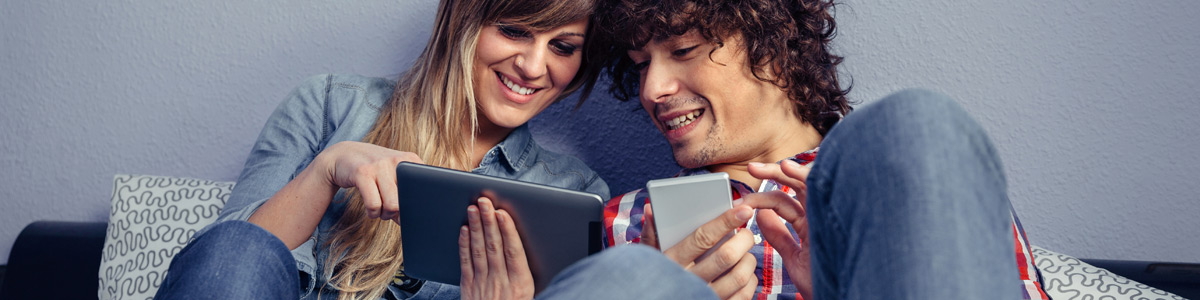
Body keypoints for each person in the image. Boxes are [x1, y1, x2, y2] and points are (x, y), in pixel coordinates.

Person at [153, 0, 617, 299]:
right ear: (463, 22)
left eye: (562, 46)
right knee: (239, 247)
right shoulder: (330, 104)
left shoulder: (576, 193)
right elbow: (224, 266)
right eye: (515, 30)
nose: (534, 66)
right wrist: (326, 171)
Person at [592, 0, 1050, 299]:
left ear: (773, 43)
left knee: (916, 122)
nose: (652, 89)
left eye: (685, 49)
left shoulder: (907, 177)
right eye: (640, 66)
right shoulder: (622, 219)